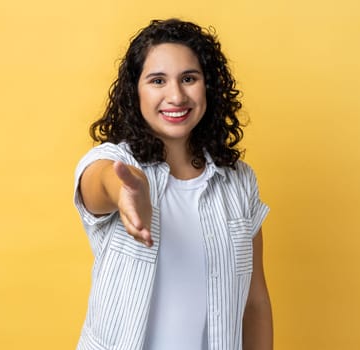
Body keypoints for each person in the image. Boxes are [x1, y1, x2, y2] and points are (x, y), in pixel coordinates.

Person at [74, 18, 273, 350]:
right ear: (135, 92)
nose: (176, 95)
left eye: (189, 79)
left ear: (207, 86)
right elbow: (100, 182)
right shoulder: (117, 163)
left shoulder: (239, 181)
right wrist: (125, 191)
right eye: (157, 81)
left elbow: (254, 303)